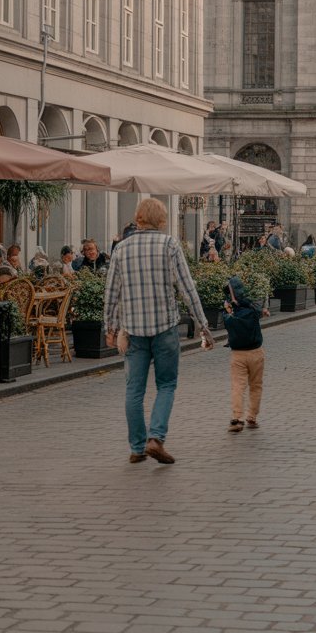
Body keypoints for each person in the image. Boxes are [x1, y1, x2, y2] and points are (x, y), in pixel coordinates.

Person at [104, 197, 211, 465]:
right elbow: (187, 288)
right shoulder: (169, 245)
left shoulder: (121, 249)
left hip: (133, 330)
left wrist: (110, 327)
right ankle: (156, 437)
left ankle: (137, 447)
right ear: (162, 220)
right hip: (165, 327)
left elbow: (112, 293)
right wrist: (202, 324)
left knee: (134, 390)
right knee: (166, 384)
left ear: (138, 218)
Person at [222, 275, 265, 433]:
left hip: (238, 354)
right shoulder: (253, 310)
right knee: (256, 386)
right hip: (256, 352)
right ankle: (252, 417)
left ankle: (237, 418)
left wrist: (227, 310)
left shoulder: (229, 315)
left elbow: (228, 321)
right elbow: (258, 310)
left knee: (238, 386)